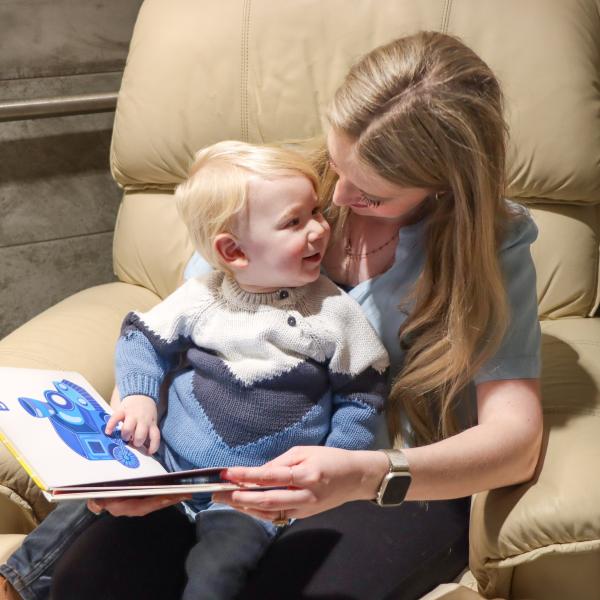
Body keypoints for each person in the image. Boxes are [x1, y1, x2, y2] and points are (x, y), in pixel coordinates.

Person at [0, 30, 542, 600]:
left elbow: (515, 438)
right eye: (338, 162)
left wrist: (362, 471)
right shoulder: (270, 189)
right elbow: (188, 336)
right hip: (216, 470)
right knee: (90, 581)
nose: (336, 201)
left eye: (373, 196)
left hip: (382, 480)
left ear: (446, 185)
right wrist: (141, 451)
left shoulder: (491, 245)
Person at [0, 141, 389, 600]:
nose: (320, 230)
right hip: (166, 466)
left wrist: (340, 460)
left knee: (219, 572)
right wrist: (141, 396)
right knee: (85, 506)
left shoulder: (334, 313)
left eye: (317, 212)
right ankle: (16, 582)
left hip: (250, 493)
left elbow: (363, 395)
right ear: (234, 251)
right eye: (294, 222)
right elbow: (141, 338)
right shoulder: (203, 296)